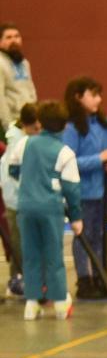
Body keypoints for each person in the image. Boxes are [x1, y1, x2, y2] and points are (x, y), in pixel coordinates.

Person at [9, 101, 82, 321]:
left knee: (30, 256)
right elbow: (72, 188)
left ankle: (31, 305)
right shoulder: (65, 153)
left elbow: (13, 169)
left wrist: (30, 184)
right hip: (50, 209)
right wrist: (76, 217)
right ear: (64, 126)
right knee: (53, 255)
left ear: (39, 122)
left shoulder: (24, 143)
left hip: (25, 207)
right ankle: (59, 304)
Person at [62, 76, 107, 300]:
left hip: (104, 191)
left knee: (99, 235)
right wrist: (99, 159)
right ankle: (84, 280)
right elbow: (69, 161)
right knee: (83, 236)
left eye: (99, 95)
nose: (99, 99)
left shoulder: (104, 123)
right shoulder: (71, 128)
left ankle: (100, 277)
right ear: (78, 97)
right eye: (93, 95)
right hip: (83, 193)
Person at [1, 102, 36, 297]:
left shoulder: (24, 139)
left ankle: (25, 278)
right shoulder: (17, 143)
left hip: (24, 199)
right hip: (15, 201)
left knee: (25, 241)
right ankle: (16, 280)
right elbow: (11, 174)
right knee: (18, 243)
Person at [0, 24, 37, 131]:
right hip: (11, 123)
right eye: (9, 37)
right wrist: (8, 126)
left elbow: (31, 89)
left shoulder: (24, 63)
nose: (14, 40)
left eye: (16, 36)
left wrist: (34, 116)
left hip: (28, 120)